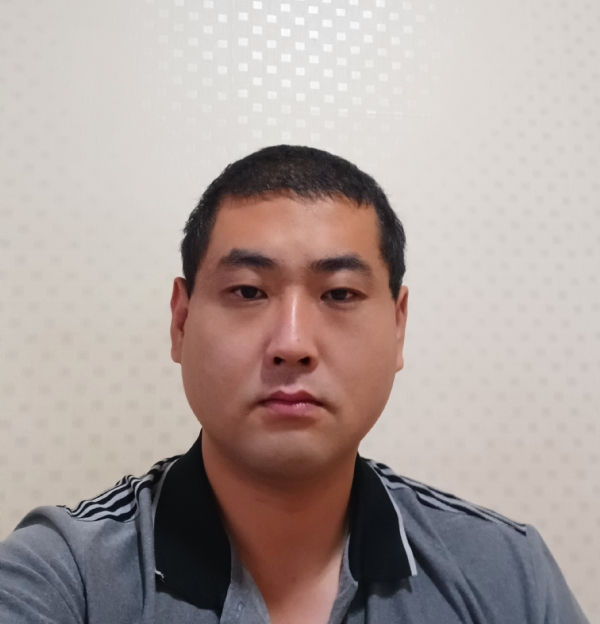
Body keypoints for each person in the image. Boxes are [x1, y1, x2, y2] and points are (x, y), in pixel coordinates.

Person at [0, 145, 589, 624]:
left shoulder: (507, 573)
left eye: (340, 294)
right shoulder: (63, 578)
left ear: (398, 326)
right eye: (248, 291)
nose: (292, 342)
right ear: (180, 321)